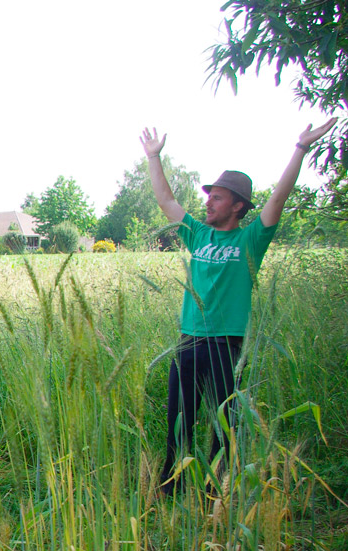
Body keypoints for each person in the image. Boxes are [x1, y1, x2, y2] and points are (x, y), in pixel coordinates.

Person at [141, 119, 337, 493]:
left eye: (216, 196)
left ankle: (215, 494)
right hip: (187, 343)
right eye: (209, 195)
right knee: (178, 421)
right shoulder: (198, 234)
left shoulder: (251, 240)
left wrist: (300, 148)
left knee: (223, 426)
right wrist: (154, 158)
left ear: (238, 205)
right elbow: (165, 199)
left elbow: (278, 198)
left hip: (226, 347)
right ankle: (171, 488)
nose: (208, 200)